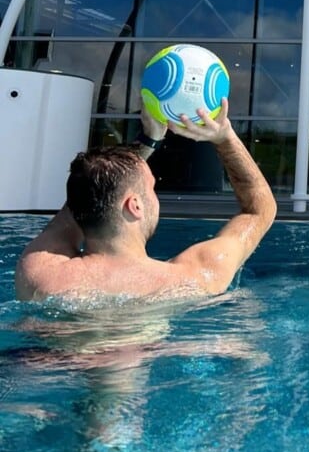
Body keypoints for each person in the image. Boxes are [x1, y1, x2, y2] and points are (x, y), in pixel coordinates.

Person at [14, 98, 276, 302]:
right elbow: (258, 210)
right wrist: (224, 136)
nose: (156, 194)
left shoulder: (41, 273)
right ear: (134, 205)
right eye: (152, 187)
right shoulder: (189, 280)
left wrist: (149, 140)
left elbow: (78, 203)